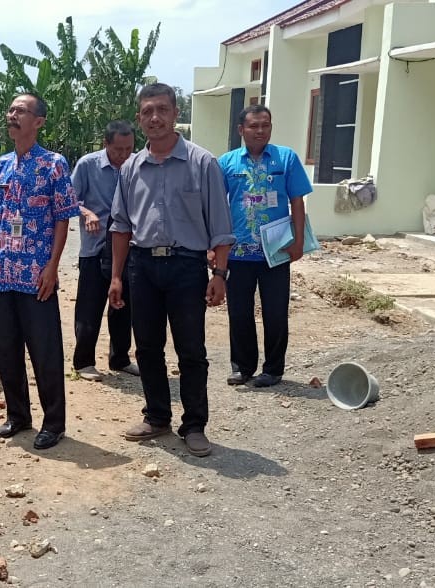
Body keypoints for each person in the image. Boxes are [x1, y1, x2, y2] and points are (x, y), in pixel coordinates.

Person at [108, 83, 234, 457]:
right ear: (139, 117)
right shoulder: (131, 167)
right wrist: (116, 276)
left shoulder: (202, 163)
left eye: (162, 109)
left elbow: (221, 227)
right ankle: (157, 416)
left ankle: (194, 425)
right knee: (146, 346)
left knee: (191, 349)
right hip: (142, 266)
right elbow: (120, 225)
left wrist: (220, 274)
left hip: (186, 265)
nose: (155, 118)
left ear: (175, 113)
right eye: (147, 111)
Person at [0, 93, 78, 451]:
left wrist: (52, 266)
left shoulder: (54, 165)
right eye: (11, 110)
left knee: (44, 350)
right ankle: (18, 415)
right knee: (6, 350)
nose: (12, 115)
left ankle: (54, 423)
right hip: (3, 272)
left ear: (39, 122)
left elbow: (64, 217)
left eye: (21, 111)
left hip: (36, 275)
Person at [219, 104, 312, 388]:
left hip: (277, 251)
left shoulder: (286, 158)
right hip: (238, 253)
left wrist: (297, 241)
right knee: (239, 312)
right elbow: (216, 205)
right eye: (254, 126)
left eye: (265, 125)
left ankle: (273, 369)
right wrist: (215, 246)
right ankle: (242, 367)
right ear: (241, 130)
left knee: (275, 311)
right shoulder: (226, 163)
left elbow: (297, 201)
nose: (260, 131)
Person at [71, 120, 139, 382]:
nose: (123, 156)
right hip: (95, 246)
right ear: (105, 144)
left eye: (128, 149)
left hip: (128, 247)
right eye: (118, 150)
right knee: (90, 304)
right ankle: (83, 361)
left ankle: (120, 358)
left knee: (123, 304)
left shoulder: (137, 165)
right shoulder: (88, 165)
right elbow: (68, 200)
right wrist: (87, 212)